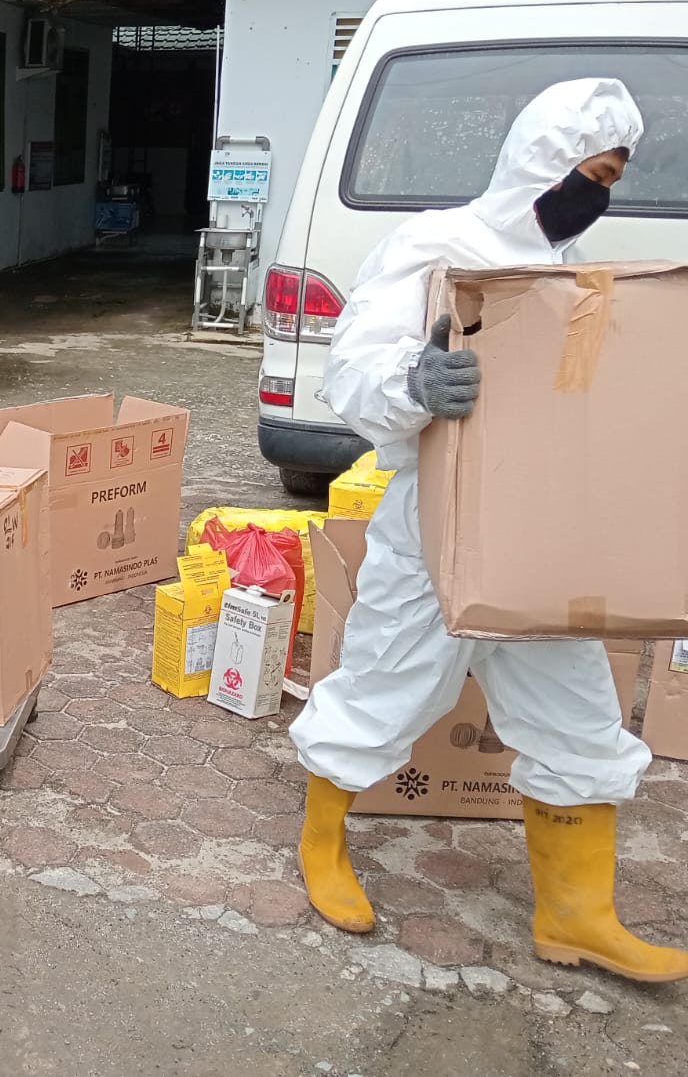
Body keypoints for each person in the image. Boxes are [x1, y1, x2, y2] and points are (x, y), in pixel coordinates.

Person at [290, 78, 688, 983]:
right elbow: (350, 373)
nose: (598, 190)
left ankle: (578, 915)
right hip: (438, 520)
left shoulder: (579, 273)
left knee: (578, 712)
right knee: (390, 685)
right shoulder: (440, 244)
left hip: (546, 533)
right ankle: (321, 845)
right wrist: (414, 383)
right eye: (590, 170)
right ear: (540, 163)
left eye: (614, 175)